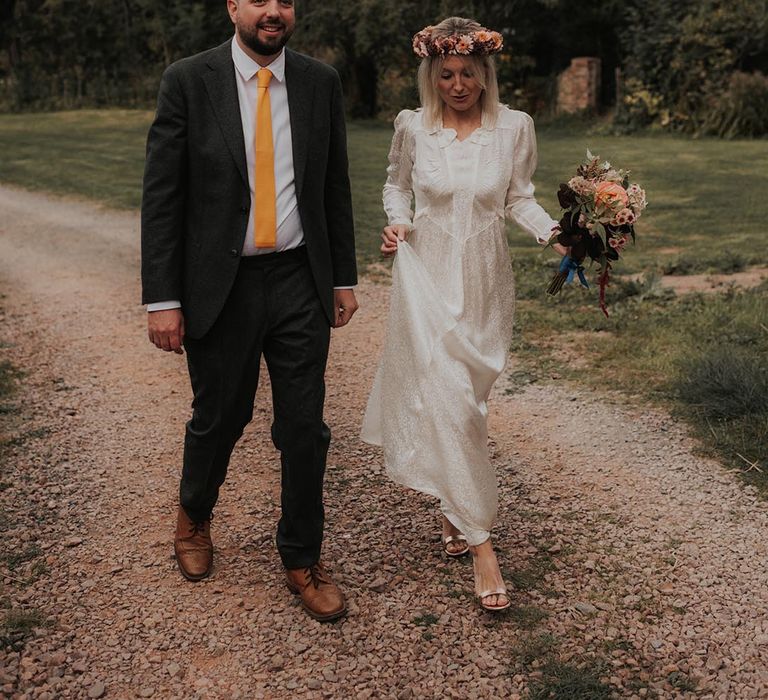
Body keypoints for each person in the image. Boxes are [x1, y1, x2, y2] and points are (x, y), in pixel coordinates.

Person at [141, 0, 358, 622]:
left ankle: (301, 556)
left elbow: (333, 186)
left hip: (297, 278)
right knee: (220, 414)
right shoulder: (189, 79)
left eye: (285, 1)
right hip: (220, 284)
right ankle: (193, 516)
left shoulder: (320, 82)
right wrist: (163, 299)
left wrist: (341, 277)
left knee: (304, 426)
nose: (273, 11)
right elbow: (162, 198)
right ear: (233, 6)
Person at [361, 17, 567, 612]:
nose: (458, 85)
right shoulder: (413, 127)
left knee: (469, 405)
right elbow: (395, 186)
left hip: (483, 281)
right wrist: (398, 221)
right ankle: (482, 543)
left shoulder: (514, 129)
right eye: (446, 74)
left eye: (468, 74)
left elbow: (519, 198)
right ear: (432, 75)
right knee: (446, 396)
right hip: (425, 277)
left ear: (485, 75)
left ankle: (453, 503)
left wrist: (559, 235)